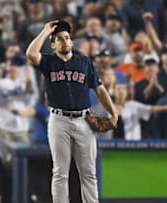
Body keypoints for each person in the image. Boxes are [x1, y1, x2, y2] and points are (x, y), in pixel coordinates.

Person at [26, 20, 118, 203]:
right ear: (53, 45)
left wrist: (113, 112)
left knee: (89, 172)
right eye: (59, 39)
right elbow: (31, 54)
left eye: (67, 38)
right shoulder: (49, 62)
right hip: (59, 120)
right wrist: (45, 31)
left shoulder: (84, 61)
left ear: (72, 42)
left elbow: (99, 89)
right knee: (60, 172)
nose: (65, 41)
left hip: (84, 118)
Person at [0, 52, 33, 145]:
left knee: (24, 156)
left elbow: (28, 85)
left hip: (21, 127)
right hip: (4, 126)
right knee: (5, 157)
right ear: (6, 67)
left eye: (15, 65)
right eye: (10, 65)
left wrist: (27, 66)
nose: (13, 68)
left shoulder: (21, 83)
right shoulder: (0, 83)